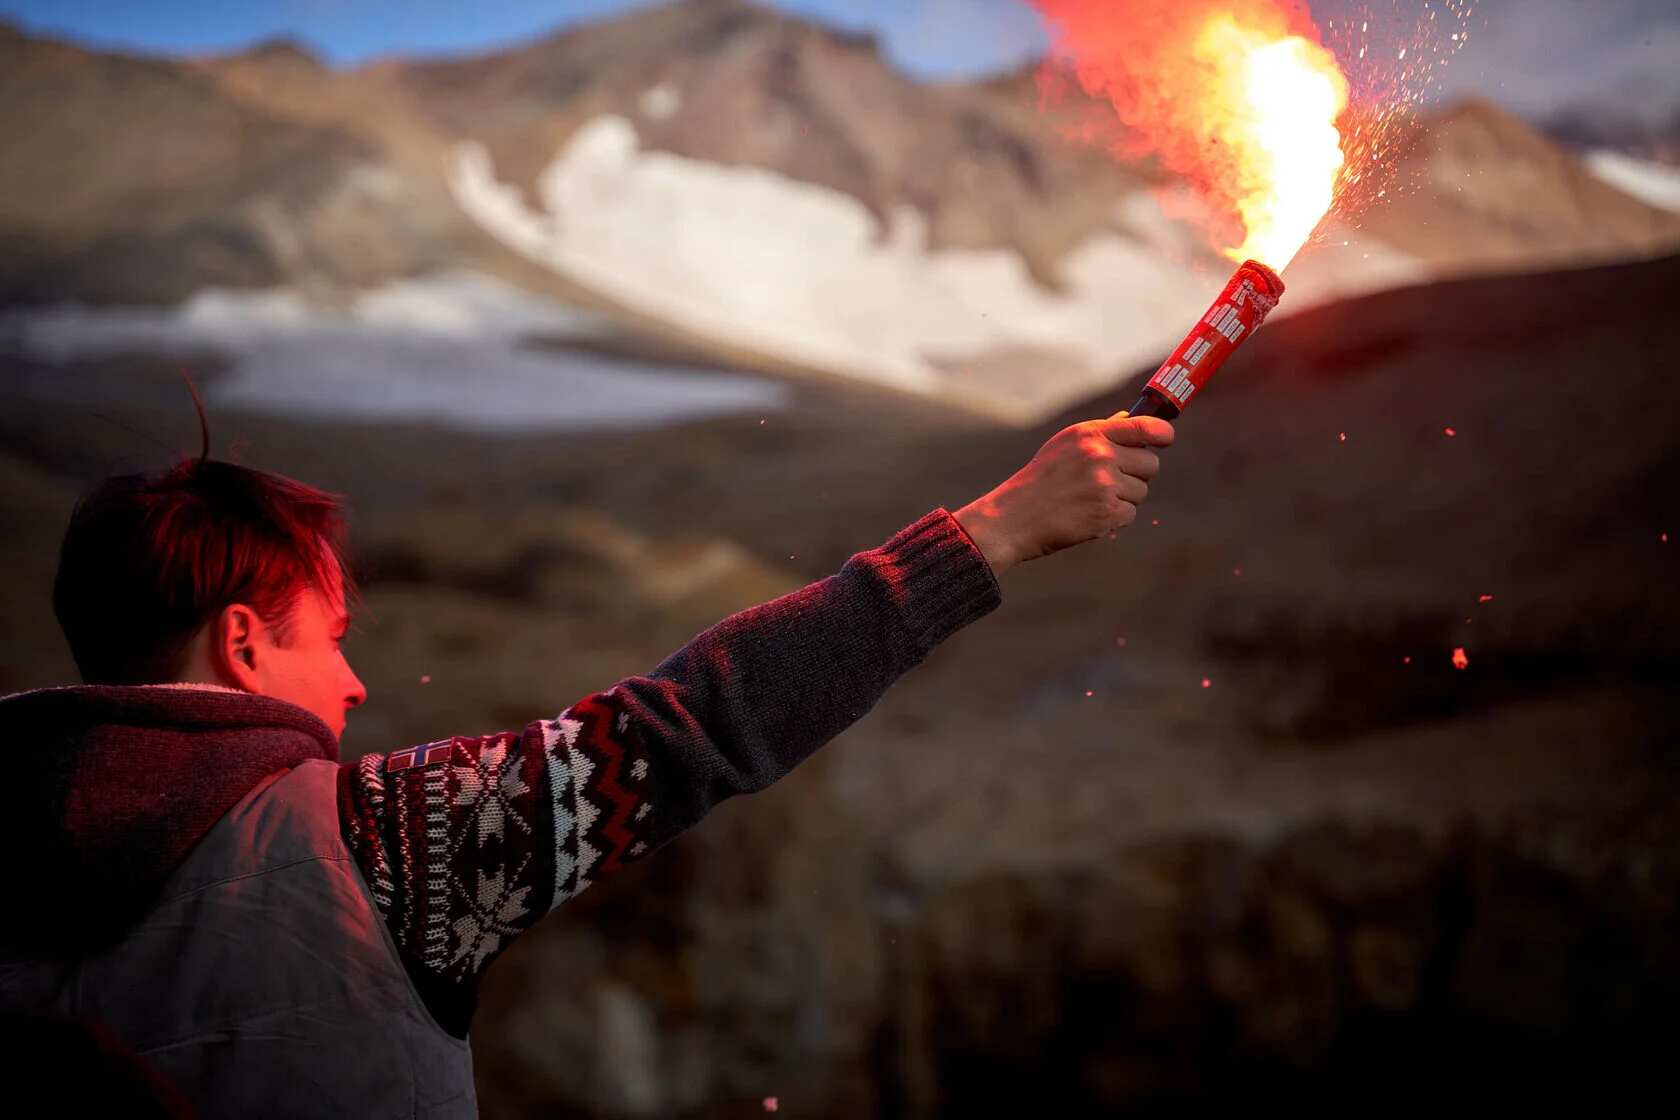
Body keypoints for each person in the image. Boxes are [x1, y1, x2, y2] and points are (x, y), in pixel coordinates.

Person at [0, 390, 1173, 1117]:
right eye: (335, 637)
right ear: (244, 642)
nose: (356, 680)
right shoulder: (380, 846)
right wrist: (993, 531)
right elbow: (696, 721)